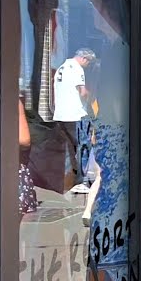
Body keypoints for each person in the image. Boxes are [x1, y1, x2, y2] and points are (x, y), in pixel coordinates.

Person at [52, 47, 97, 193]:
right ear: (85, 59)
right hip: (74, 114)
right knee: (84, 146)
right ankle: (83, 181)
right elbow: (82, 92)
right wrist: (93, 97)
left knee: (71, 149)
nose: (88, 66)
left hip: (60, 115)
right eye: (88, 63)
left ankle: (73, 180)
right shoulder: (77, 69)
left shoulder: (61, 68)